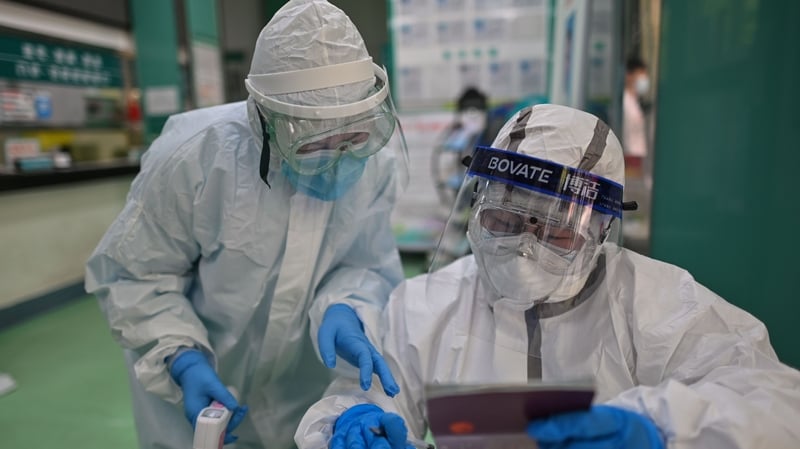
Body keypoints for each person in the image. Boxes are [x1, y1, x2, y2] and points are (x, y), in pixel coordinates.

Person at [295, 104, 800, 449]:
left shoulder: (657, 302)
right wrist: (348, 422)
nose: (523, 247)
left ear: (601, 231)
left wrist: (660, 428)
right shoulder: (425, 303)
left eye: (556, 230)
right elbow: (361, 396)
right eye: (505, 220)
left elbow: (778, 403)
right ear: (477, 208)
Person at [85, 1, 410, 448]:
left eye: (353, 136)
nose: (340, 158)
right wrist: (182, 359)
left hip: (300, 393)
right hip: (197, 392)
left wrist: (347, 307)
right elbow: (135, 275)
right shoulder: (193, 159)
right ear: (264, 122)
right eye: (316, 144)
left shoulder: (376, 163)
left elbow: (367, 262)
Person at [623, 56, 649, 158]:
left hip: (637, 158)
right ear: (629, 76)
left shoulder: (636, 101)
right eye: (641, 73)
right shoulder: (624, 102)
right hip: (629, 158)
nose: (644, 78)